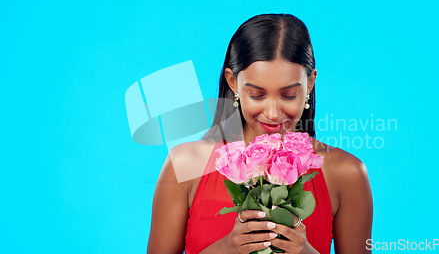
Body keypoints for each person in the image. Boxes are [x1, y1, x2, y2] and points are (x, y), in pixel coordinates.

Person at [147, 13, 373, 254]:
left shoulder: (347, 173)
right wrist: (227, 248)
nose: (273, 113)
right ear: (233, 82)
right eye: (257, 95)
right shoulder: (185, 164)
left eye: (288, 95)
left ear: (310, 83)